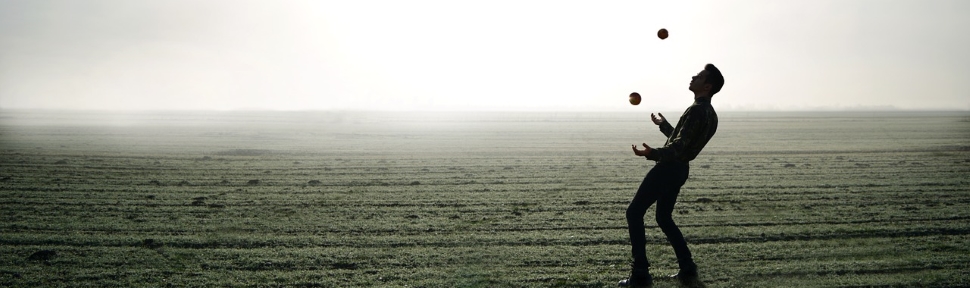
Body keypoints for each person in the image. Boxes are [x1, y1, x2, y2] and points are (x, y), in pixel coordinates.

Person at [619, 64, 724, 288]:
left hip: (668, 168)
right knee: (663, 218)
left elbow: (677, 147)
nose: (693, 76)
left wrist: (652, 153)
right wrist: (664, 126)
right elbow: (684, 142)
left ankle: (640, 274)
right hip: (680, 170)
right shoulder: (710, 114)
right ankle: (687, 268)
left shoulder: (696, 110)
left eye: (699, 76)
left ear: (707, 86)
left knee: (634, 213)